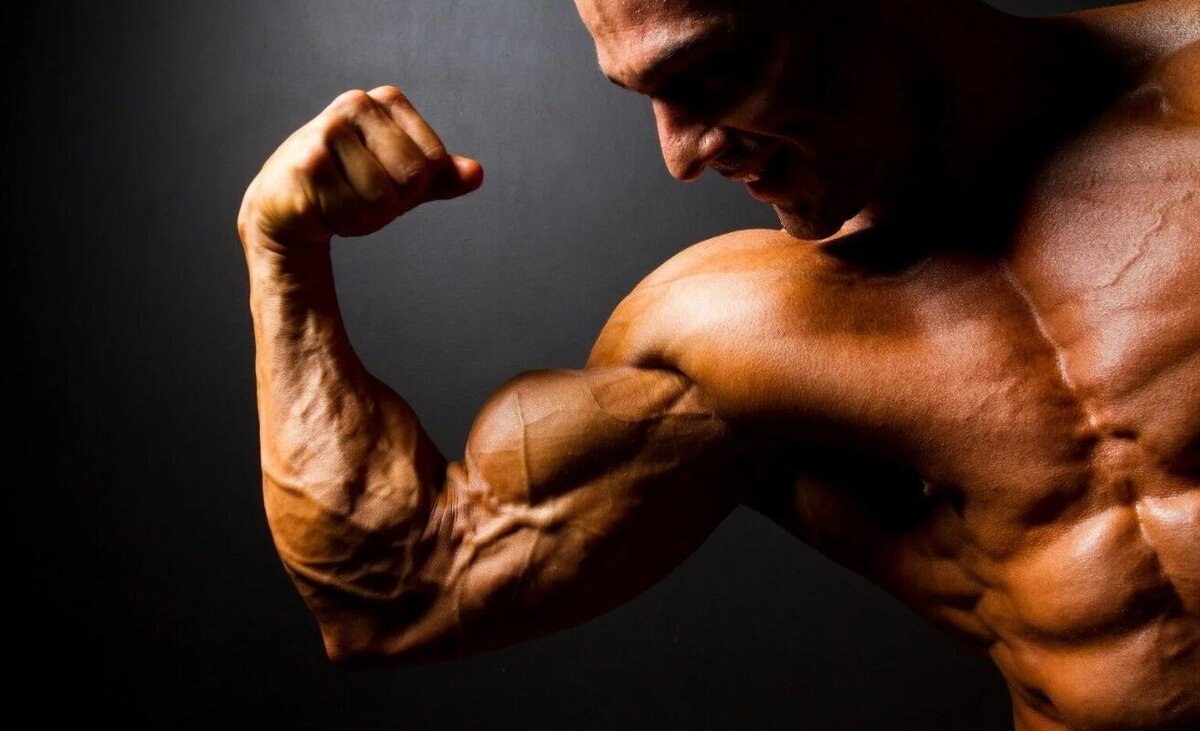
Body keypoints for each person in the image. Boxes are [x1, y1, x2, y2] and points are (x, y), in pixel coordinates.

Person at [236, 0, 1199, 728]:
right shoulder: (736, 336)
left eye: (711, 69)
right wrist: (284, 258)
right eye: (647, 97)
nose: (680, 155)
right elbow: (399, 595)